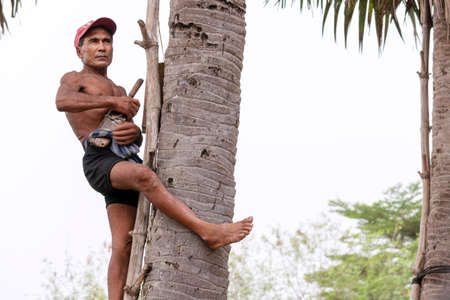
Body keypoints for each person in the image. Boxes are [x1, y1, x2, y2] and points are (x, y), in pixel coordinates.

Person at [55, 17, 253, 300]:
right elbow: (62, 102)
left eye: (107, 41)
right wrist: (113, 103)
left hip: (122, 158)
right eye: (94, 42)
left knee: (123, 245)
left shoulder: (120, 90)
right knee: (145, 177)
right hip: (99, 160)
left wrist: (133, 132)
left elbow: (133, 138)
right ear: (80, 50)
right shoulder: (73, 79)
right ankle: (207, 231)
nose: (102, 47)